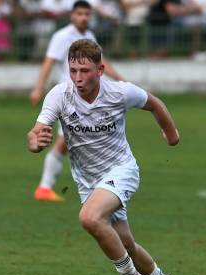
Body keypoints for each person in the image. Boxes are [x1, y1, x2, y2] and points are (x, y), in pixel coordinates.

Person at [27, 39, 180, 275]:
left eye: (84, 71)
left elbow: (155, 104)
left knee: (89, 218)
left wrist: (171, 135)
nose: (77, 78)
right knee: (127, 244)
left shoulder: (120, 93)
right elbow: (36, 131)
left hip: (121, 170)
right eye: (73, 70)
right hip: (88, 181)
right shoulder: (60, 95)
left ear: (101, 69)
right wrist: (36, 142)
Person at [29, 0, 124, 202]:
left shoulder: (89, 36)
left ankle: (48, 187)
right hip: (69, 98)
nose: (84, 18)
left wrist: (119, 79)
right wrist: (38, 88)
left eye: (87, 14)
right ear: (72, 15)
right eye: (80, 14)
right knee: (66, 142)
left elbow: (101, 62)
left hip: (86, 98)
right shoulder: (62, 36)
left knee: (68, 143)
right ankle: (45, 187)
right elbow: (49, 62)